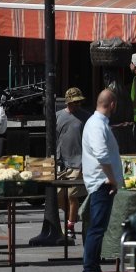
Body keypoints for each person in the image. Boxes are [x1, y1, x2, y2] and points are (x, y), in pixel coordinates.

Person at [80, 89, 124, 272]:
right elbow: (102, 154)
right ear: (112, 104)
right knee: (96, 229)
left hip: (102, 182)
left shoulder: (97, 123)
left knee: (98, 228)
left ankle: (93, 270)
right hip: (102, 183)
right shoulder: (97, 125)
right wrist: (112, 179)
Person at [56, 87, 91, 239]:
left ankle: (70, 225)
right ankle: (74, 216)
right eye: (74, 102)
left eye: (79, 102)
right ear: (68, 102)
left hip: (79, 162)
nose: (77, 105)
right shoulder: (58, 116)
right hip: (62, 162)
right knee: (59, 196)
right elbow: (55, 137)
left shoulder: (86, 117)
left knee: (72, 195)